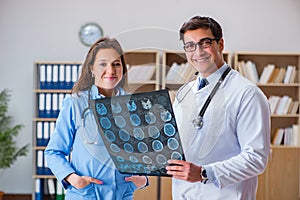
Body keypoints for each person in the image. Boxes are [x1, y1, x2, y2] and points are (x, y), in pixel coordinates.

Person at [166, 16, 270, 199]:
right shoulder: (184, 92)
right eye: (190, 45)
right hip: (184, 193)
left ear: (220, 44)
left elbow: (256, 158)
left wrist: (205, 173)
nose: (197, 52)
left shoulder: (246, 93)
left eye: (204, 43)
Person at [44, 37, 148, 200]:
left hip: (123, 194)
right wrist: (73, 179)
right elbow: (53, 152)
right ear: (91, 69)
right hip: (86, 194)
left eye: (116, 64)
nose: (111, 70)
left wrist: (144, 178)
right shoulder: (75, 102)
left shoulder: (134, 104)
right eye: (103, 64)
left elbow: (144, 151)